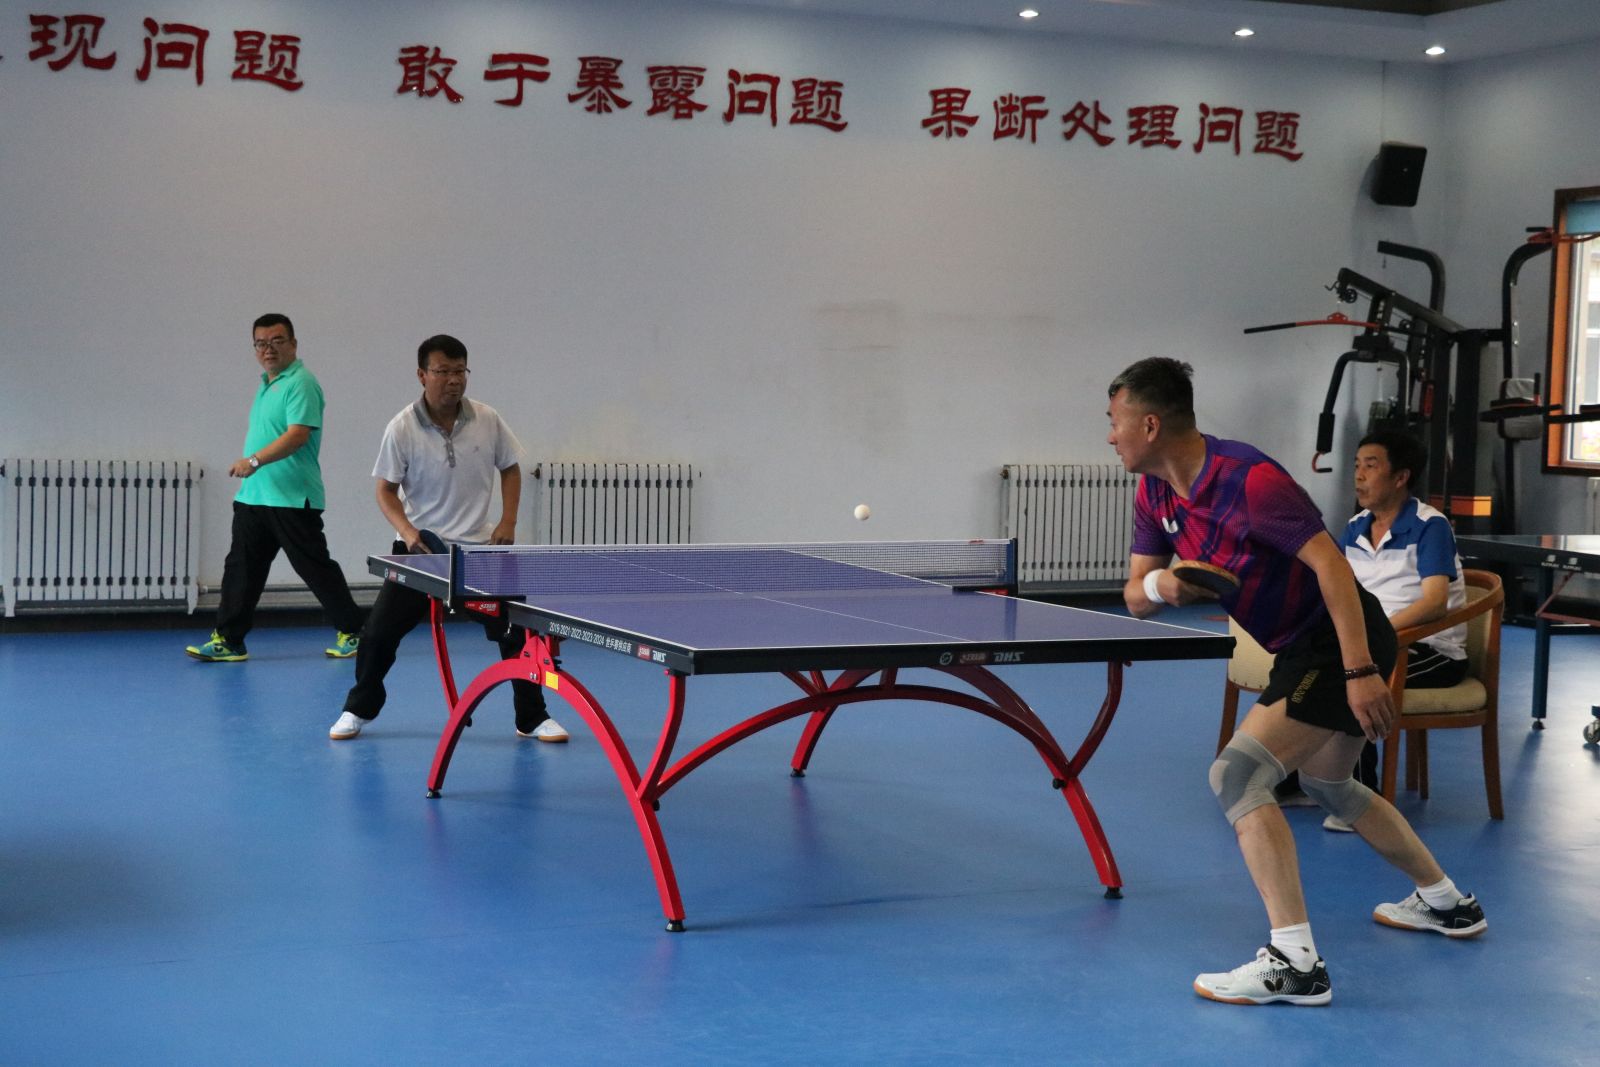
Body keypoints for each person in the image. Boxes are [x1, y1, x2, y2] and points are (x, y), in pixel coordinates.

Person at [1107, 357, 1485, 1008]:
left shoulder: (1250, 481)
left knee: (1236, 776)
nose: (1110, 435)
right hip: (1298, 646)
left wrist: (1361, 670)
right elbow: (1135, 597)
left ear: (1150, 424)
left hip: (1337, 638)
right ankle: (1448, 902)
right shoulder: (1154, 494)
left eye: (1115, 421)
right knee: (1329, 783)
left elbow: (1333, 569)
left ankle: (1296, 962)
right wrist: (1166, 584)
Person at [328, 334, 566, 743]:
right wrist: (408, 532)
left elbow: (510, 468)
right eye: (442, 371)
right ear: (422, 375)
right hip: (420, 554)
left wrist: (508, 521)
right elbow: (385, 490)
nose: (453, 380)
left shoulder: (488, 419)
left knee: (518, 632)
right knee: (378, 635)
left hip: (479, 554)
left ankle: (531, 717)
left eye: (460, 371)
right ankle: (358, 708)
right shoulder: (402, 427)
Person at [186, 314, 365, 662]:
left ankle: (355, 632)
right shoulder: (267, 384)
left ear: (293, 344)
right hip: (254, 497)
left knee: (314, 567)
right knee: (241, 570)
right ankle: (230, 640)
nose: (269, 349)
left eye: (277, 341)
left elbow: (298, 436)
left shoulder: (301, 382)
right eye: (261, 343)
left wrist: (253, 461)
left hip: (292, 498)